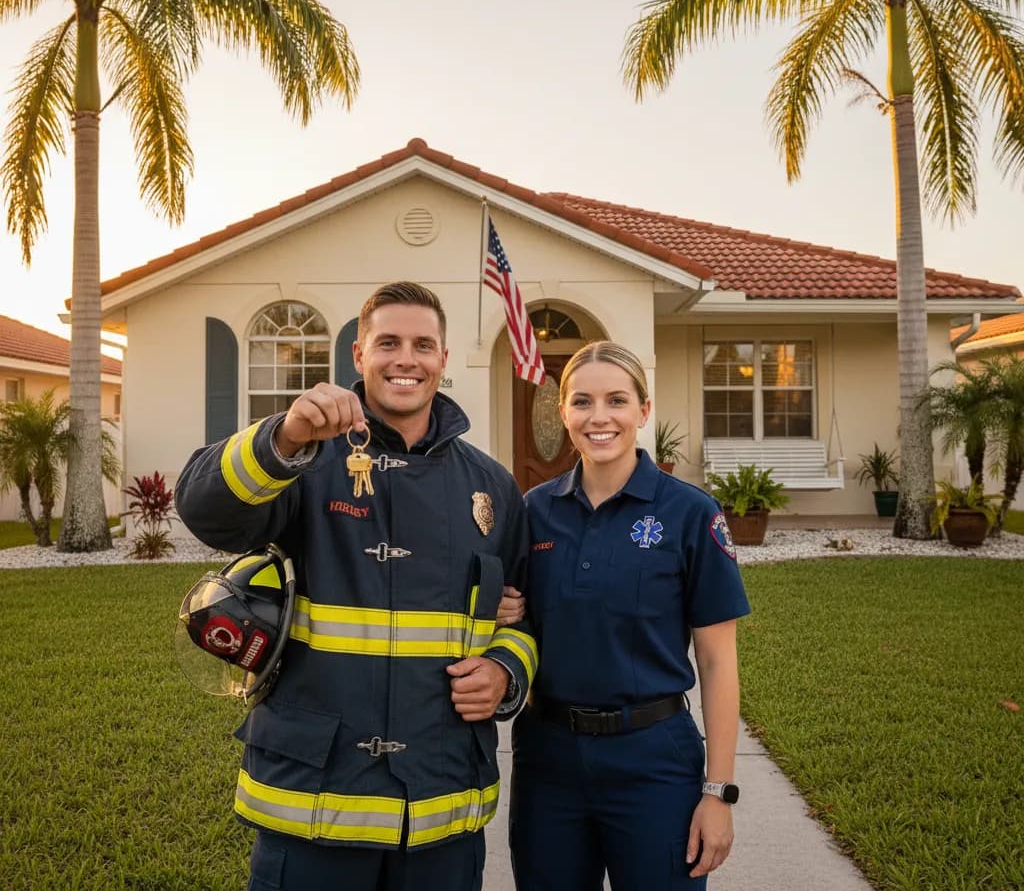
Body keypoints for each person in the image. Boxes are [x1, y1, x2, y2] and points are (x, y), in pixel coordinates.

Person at [175, 281, 538, 891]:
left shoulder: (493, 487)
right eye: (388, 342)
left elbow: (523, 617)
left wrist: (506, 667)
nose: (406, 359)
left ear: (443, 360)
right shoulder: (304, 454)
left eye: (424, 344)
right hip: (314, 800)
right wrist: (282, 436)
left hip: (441, 803)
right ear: (359, 356)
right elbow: (205, 511)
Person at [505, 340, 750, 890]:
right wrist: (502, 611)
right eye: (582, 401)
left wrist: (719, 792)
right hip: (550, 759)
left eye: (616, 400)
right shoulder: (534, 511)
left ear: (643, 410)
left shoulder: (691, 514)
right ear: (563, 412)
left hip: (653, 758)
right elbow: (507, 620)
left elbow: (717, 663)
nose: (599, 417)